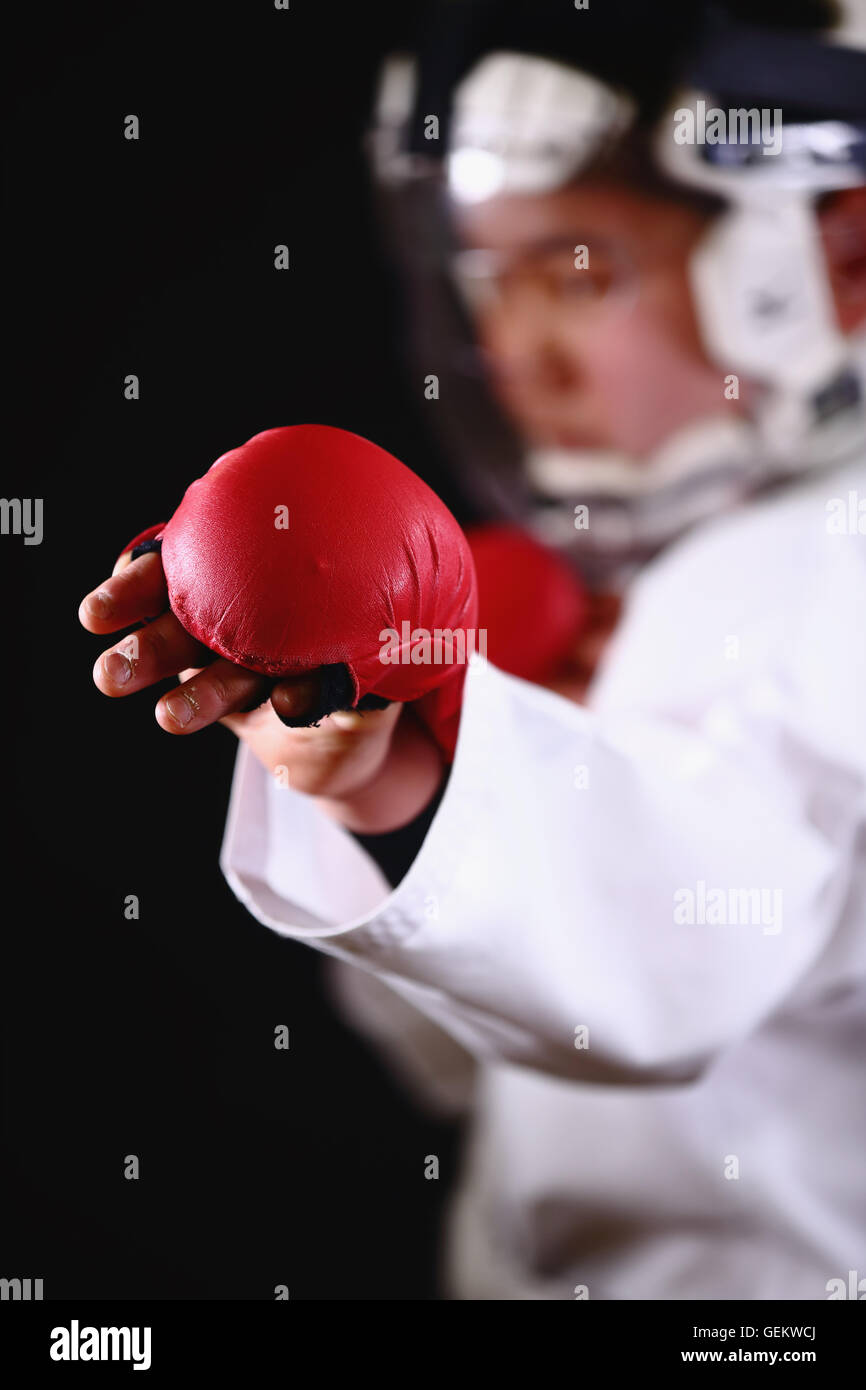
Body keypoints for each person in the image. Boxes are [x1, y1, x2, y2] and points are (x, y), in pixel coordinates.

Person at [79, 0, 866, 1299]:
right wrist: (385, 769)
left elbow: (681, 942)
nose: (512, 350)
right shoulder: (629, 585)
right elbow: (470, 1059)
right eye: (483, 280)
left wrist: (439, 738)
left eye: (574, 270)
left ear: (827, 261)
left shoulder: (820, 564)